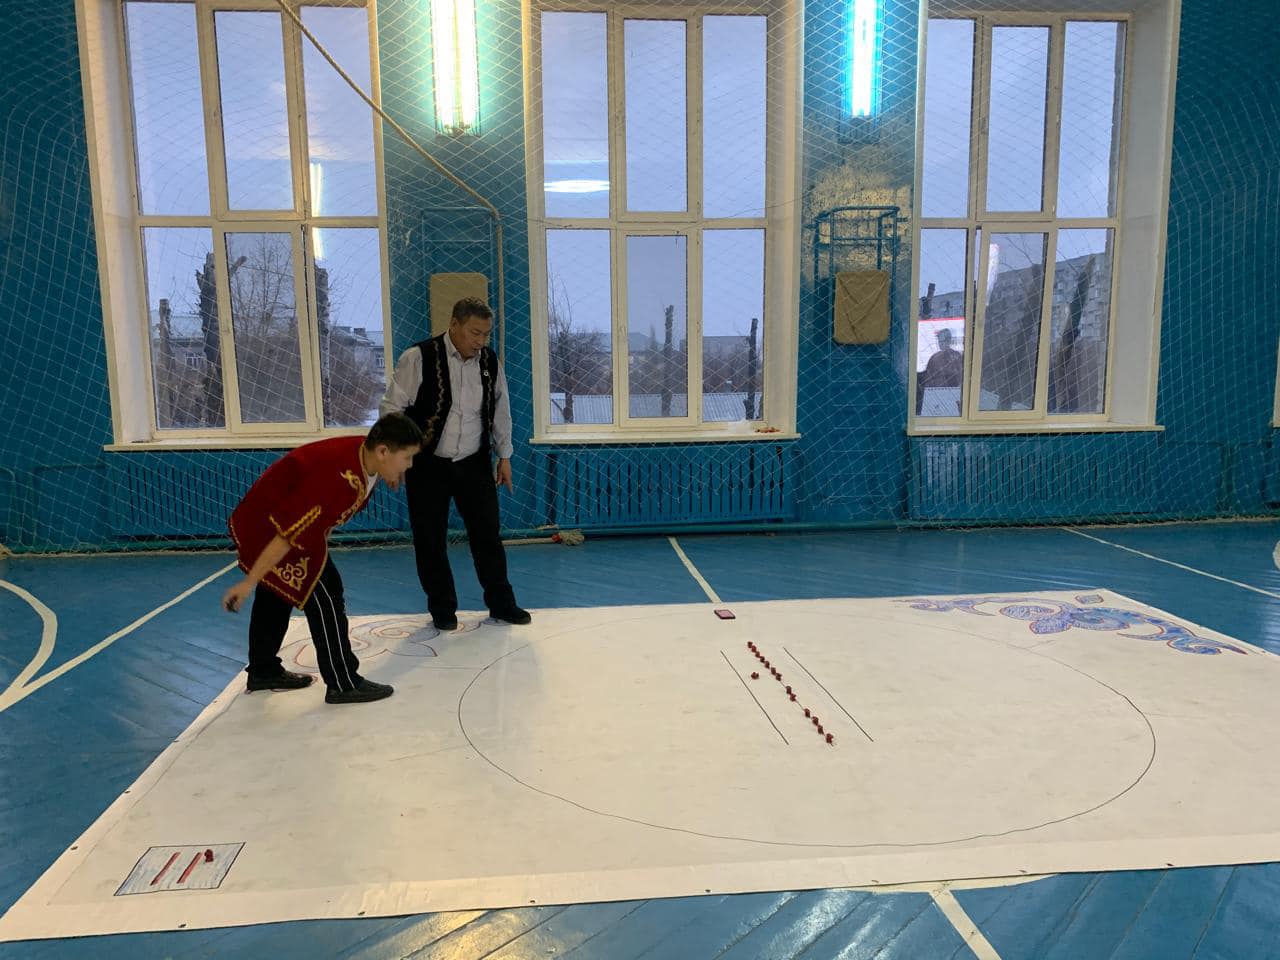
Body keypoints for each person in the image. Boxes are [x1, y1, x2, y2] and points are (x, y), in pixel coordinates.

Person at [221, 413, 423, 704]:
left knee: (277, 593)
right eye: (407, 458)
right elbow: (286, 536)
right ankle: (343, 683)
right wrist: (248, 582)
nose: (409, 466)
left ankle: (263, 670)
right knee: (326, 595)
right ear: (383, 451)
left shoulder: (367, 456)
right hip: (268, 529)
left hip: (282, 520)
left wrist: (389, 472)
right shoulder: (335, 481)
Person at [380, 296, 531, 631]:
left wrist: (504, 455)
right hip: (427, 464)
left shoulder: (490, 361)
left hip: (474, 462)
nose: (480, 341)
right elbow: (392, 409)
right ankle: (442, 608)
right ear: (453, 325)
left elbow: (501, 409)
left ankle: (501, 603)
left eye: (485, 334)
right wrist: (394, 458)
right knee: (429, 539)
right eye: (474, 333)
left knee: (488, 535)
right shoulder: (418, 357)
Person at [916, 327, 964, 415]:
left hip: (943, 395)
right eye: (939, 340)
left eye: (942, 341)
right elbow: (927, 377)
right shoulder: (937, 357)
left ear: (948, 341)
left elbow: (959, 377)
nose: (940, 343)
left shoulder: (952, 357)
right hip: (943, 395)